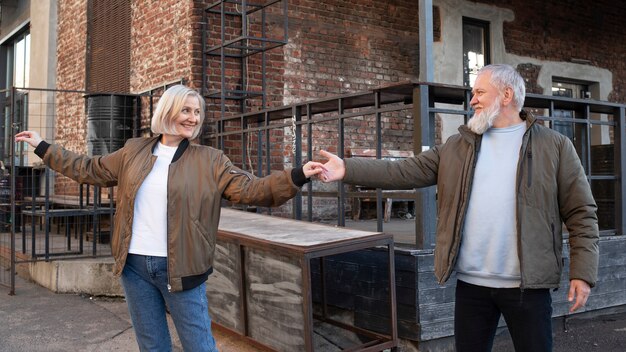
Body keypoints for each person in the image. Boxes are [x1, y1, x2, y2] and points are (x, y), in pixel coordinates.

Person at [15, 85, 323, 352]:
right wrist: (43, 147)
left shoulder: (210, 160)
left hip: (182, 269)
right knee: (152, 346)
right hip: (134, 266)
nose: (193, 117)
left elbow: (254, 190)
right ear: (168, 112)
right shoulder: (133, 150)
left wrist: (296, 176)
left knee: (199, 345)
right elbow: (88, 168)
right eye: (186, 110)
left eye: (197, 112)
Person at [314, 64, 599, 352]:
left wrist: (582, 273)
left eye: (479, 92)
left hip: (528, 287)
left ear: (506, 94)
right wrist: (346, 168)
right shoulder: (457, 146)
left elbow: (581, 213)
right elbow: (402, 172)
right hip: (472, 286)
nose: (472, 100)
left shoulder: (556, 147)